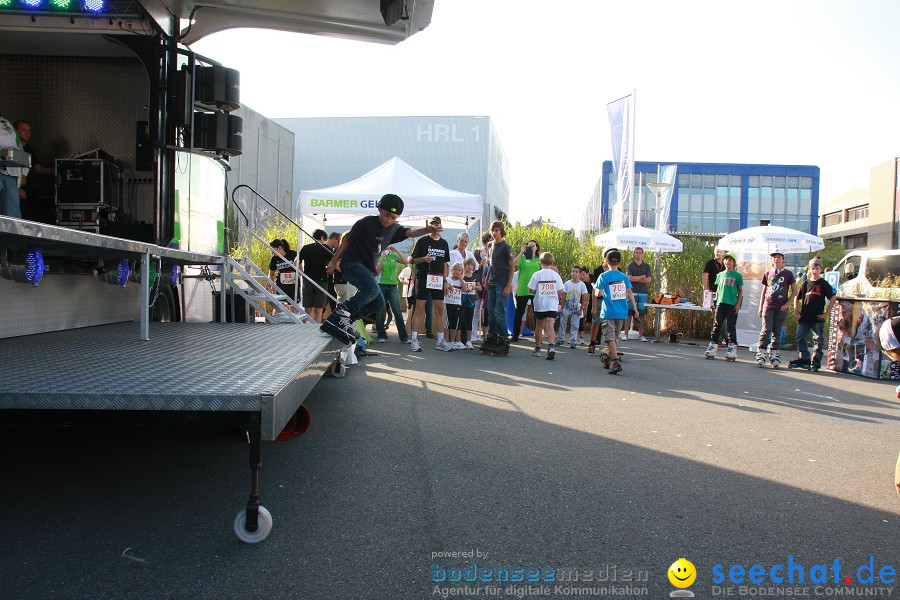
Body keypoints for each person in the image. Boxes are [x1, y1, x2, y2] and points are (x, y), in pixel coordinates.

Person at [321, 194, 434, 345]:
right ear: (379, 209)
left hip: (368, 269)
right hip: (352, 263)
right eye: (386, 215)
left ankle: (345, 321)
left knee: (378, 302)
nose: (388, 220)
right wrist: (333, 261)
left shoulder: (394, 229)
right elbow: (346, 241)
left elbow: (411, 233)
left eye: (393, 218)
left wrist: (426, 230)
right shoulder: (366, 223)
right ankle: (340, 314)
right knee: (373, 290)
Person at [593, 250, 639, 374]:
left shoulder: (604, 276)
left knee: (609, 337)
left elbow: (599, 293)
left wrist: (595, 290)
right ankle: (607, 358)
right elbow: (629, 293)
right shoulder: (624, 277)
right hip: (621, 311)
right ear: (620, 262)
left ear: (606, 261)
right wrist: (635, 308)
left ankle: (615, 361)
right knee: (616, 337)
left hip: (609, 311)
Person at [410, 216, 451, 352]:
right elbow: (412, 260)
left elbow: (445, 264)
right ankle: (414, 339)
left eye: (437, 224)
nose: (435, 227)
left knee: (439, 310)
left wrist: (445, 281)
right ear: (430, 226)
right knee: (419, 308)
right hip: (423, 277)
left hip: (438, 279)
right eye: (432, 224)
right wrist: (424, 259)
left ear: (440, 226)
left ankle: (440, 341)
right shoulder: (422, 241)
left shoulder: (444, 243)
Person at [789, 257, 836, 371]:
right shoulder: (805, 283)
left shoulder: (824, 284)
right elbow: (797, 297)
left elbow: (833, 297)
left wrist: (827, 313)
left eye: (817, 269)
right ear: (809, 269)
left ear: (821, 269)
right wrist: (796, 310)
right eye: (812, 268)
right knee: (800, 337)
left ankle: (816, 361)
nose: (814, 271)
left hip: (817, 317)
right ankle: (804, 358)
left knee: (819, 339)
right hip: (804, 316)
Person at [756, 251, 796, 368]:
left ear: (783, 259)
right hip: (768, 305)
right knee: (766, 329)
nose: (776, 259)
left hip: (781, 306)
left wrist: (787, 304)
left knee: (777, 331)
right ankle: (761, 352)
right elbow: (764, 291)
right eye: (774, 257)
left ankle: (774, 354)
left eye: (779, 257)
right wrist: (760, 307)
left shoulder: (788, 274)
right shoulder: (768, 273)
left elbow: (795, 291)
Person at [482, 220, 515, 355]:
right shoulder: (490, 245)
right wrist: (487, 280)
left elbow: (512, 267)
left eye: (497, 230)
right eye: (493, 230)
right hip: (492, 283)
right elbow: (490, 264)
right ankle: (492, 337)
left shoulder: (506, 247)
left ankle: (503, 339)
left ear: (501, 231)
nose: (494, 233)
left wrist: (508, 286)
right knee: (490, 311)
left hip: (502, 283)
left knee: (498, 312)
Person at [704, 253, 743, 360]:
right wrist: (714, 302)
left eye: (730, 260)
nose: (728, 262)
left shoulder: (737, 275)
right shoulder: (720, 275)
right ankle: (712, 346)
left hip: (732, 304)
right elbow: (718, 290)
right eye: (726, 260)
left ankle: (732, 348)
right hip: (720, 303)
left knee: (731, 327)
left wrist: (738, 304)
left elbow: (740, 291)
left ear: (734, 263)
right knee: (717, 325)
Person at [527, 252, 565, 359]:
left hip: (540, 304)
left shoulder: (537, 274)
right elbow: (561, 291)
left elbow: (531, 289)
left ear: (541, 261)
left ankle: (538, 348)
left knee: (539, 326)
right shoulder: (555, 275)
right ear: (552, 262)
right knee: (550, 326)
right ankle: (551, 347)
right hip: (552, 304)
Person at [14, 120, 54, 223]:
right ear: (15, 131)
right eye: (23, 130)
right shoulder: (11, 148)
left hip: (27, 188)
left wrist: (56, 170)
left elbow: (38, 168)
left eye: (29, 130)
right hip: (16, 189)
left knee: (43, 213)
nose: (27, 133)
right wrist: (16, 189)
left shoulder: (28, 148)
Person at [374, 244, 410, 344]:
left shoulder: (393, 256)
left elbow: (406, 261)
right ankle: (381, 334)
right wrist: (382, 258)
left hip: (393, 286)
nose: (386, 247)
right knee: (380, 310)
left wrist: (396, 251)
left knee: (397, 311)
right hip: (381, 285)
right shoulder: (377, 256)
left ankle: (404, 337)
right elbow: (376, 272)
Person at [296, 229, 333, 323]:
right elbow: (330, 264)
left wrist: (301, 270)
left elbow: (296, 261)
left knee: (307, 308)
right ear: (321, 238)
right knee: (319, 309)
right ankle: (316, 328)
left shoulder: (306, 248)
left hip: (307, 279)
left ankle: (304, 328)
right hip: (321, 280)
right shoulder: (326, 248)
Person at [511, 239, 542, 342]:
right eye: (529, 246)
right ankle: (515, 335)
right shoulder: (523, 259)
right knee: (519, 314)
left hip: (535, 290)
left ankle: (539, 336)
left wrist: (542, 257)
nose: (531, 247)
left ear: (536, 248)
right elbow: (513, 264)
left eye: (533, 246)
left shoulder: (539, 260)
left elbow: (545, 270)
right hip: (523, 290)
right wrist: (521, 252)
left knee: (537, 314)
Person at [0, 112, 26, 218]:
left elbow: (18, 147)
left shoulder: (6, 124)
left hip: (10, 172)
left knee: (12, 212)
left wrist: (24, 173)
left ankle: (12, 234)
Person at [624, 246, 652, 342]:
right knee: (629, 313)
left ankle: (641, 335)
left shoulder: (647, 266)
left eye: (640, 252)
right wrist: (642, 277)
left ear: (642, 254)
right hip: (631, 292)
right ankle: (625, 334)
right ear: (634, 253)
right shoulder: (630, 266)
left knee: (641, 314)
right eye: (636, 252)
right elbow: (630, 279)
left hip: (643, 293)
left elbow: (648, 280)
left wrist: (636, 278)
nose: (638, 254)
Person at [558, 266, 589, 348]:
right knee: (562, 322)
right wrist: (561, 307)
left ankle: (573, 340)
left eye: (576, 272)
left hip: (576, 308)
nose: (574, 273)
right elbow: (563, 296)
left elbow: (584, 296)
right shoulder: (567, 284)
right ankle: (560, 339)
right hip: (567, 307)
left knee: (575, 324)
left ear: (579, 274)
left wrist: (581, 309)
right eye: (573, 271)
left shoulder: (582, 285)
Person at [267, 238, 299, 311]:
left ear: (279, 248)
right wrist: (272, 284)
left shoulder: (293, 254)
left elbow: (300, 267)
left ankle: (292, 321)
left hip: (293, 284)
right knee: (279, 305)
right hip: (281, 284)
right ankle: (275, 322)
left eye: (273, 250)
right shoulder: (274, 259)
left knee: (292, 305)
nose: (272, 252)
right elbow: (271, 274)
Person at [461, 257, 481, 349]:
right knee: (462, 319)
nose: (469, 266)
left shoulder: (475, 276)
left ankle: (469, 341)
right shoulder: (462, 275)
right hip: (461, 300)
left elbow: (480, 288)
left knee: (469, 320)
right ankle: (461, 339)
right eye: (468, 264)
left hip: (471, 301)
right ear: (464, 265)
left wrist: (474, 287)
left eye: (471, 265)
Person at [444, 261, 465, 349]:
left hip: (457, 304)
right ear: (452, 270)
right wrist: (448, 287)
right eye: (455, 269)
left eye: (459, 270)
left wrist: (461, 279)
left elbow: (465, 289)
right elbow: (443, 290)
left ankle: (452, 341)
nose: (457, 271)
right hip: (448, 303)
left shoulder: (461, 282)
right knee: (447, 323)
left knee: (454, 324)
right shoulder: (448, 280)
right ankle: (446, 341)